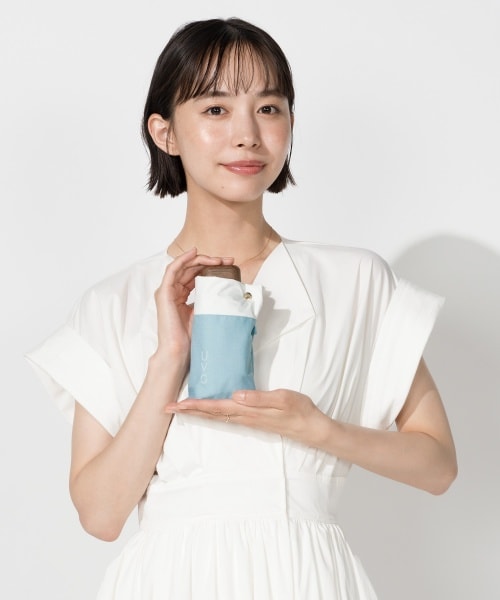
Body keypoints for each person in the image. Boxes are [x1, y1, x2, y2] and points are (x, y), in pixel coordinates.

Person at [26, 17, 457, 599]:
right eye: (215, 109)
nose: (247, 134)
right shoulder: (113, 302)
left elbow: (437, 466)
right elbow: (101, 516)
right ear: (164, 132)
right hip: (169, 581)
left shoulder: (354, 280)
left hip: (309, 578)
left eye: (269, 108)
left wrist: (318, 429)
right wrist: (169, 357)